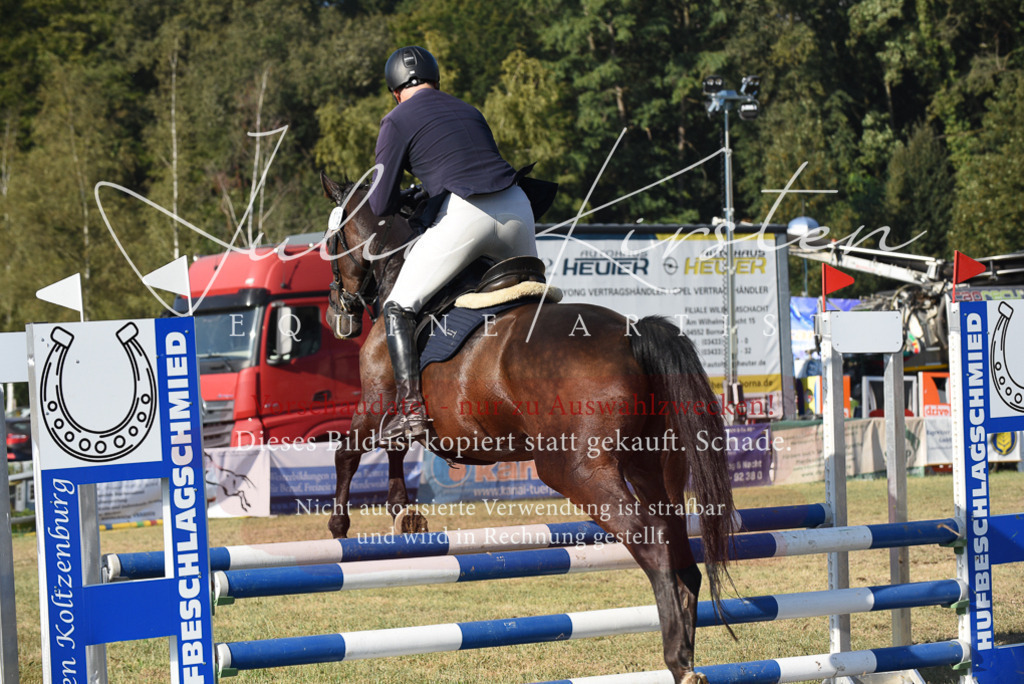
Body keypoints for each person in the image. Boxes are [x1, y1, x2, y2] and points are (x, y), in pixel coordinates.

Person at [369, 45, 539, 445]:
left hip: (467, 214)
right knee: (531, 300)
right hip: (518, 207)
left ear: (395, 90)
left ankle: (411, 412)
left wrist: (409, 196)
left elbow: (379, 203)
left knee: (397, 307)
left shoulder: (395, 119)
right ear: (436, 80)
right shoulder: (468, 109)